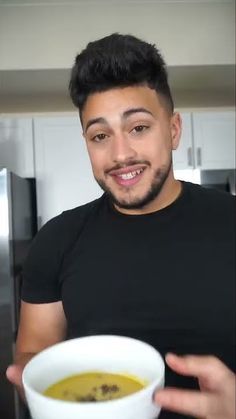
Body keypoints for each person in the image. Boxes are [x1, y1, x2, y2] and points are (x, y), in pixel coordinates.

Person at [6, 33, 235, 419]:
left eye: (139, 128)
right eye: (100, 136)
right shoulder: (57, 240)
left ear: (173, 130)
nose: (121, 154)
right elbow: (33, 354)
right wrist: (45, 392)